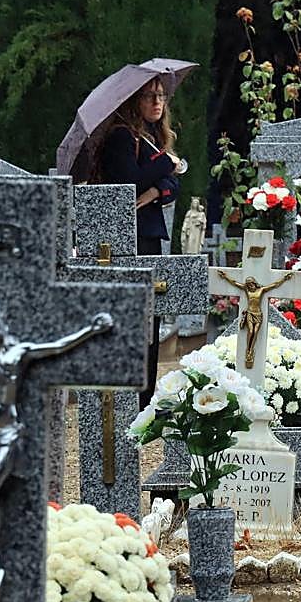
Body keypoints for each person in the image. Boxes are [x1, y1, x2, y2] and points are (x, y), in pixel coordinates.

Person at [96, 76, 184, 406]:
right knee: (137, 315)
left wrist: (157, 189)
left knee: (153, 313)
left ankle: (146, 393)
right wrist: (165, 164)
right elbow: (127, 180)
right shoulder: (121, 137)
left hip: (148, 233)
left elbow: (172, 187)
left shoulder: (151, 138)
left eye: (161, 97)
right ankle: (131, 395)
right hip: (129, 237)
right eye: (149, 97)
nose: (157, 103)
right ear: (135, 101)